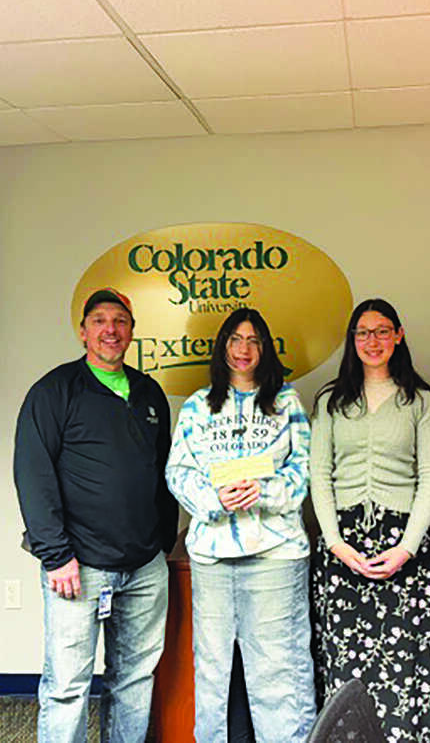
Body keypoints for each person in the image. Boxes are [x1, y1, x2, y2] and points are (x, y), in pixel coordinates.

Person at [14, 288, 177, 743]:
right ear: (83, 331)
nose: (111, 330)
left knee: (134, 680)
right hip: (77, 567)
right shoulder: (54, 391)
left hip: (144, 567)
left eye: (121, 321)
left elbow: (164, 470)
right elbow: (33, 474)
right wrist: (55, 556)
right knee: (68, 687)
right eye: (101, 321)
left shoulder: (149, 393)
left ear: (132, 331)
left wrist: (163, 542)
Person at [165, 307, 316, 743]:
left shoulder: (286, 401)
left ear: (265, 348)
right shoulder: (197, 406)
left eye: (253, 340)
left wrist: (263, 493)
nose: (243, 349)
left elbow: (304, 469)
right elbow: (179, 471)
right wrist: (213, 501)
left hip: (276, 556)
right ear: (222, 347)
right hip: (213, 559)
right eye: (234, 339)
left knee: (279, 672)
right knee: (211, 672)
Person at [310, 299, 430, 742]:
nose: (372, 341)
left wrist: (407, 547)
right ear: (352, 341)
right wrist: (335, 542)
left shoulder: (420, 401)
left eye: (381, 331)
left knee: (407, 657)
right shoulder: (332, 401)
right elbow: (320, 474)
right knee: (347, 659)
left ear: (398, 336)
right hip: (344, 547)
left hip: (403, 544)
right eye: (362, 333)